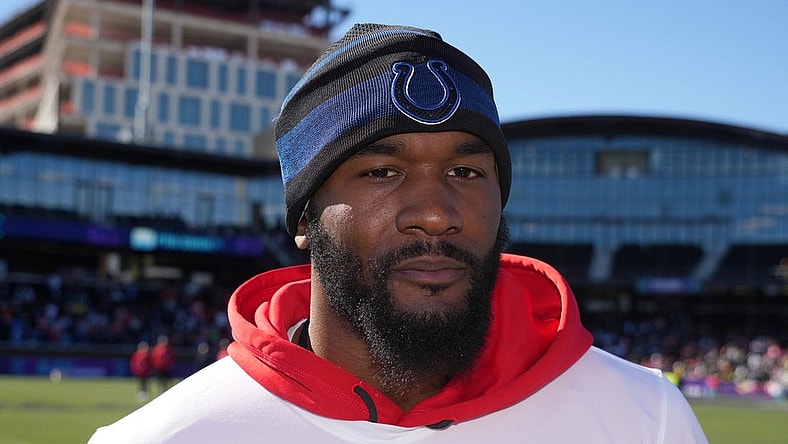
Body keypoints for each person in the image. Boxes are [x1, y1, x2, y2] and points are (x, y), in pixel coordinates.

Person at [89, 23, 708, 443]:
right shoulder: (164, 438)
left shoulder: (642, 419)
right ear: (304, 217)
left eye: (466, 171)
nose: (436, 212)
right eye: (381, 171)